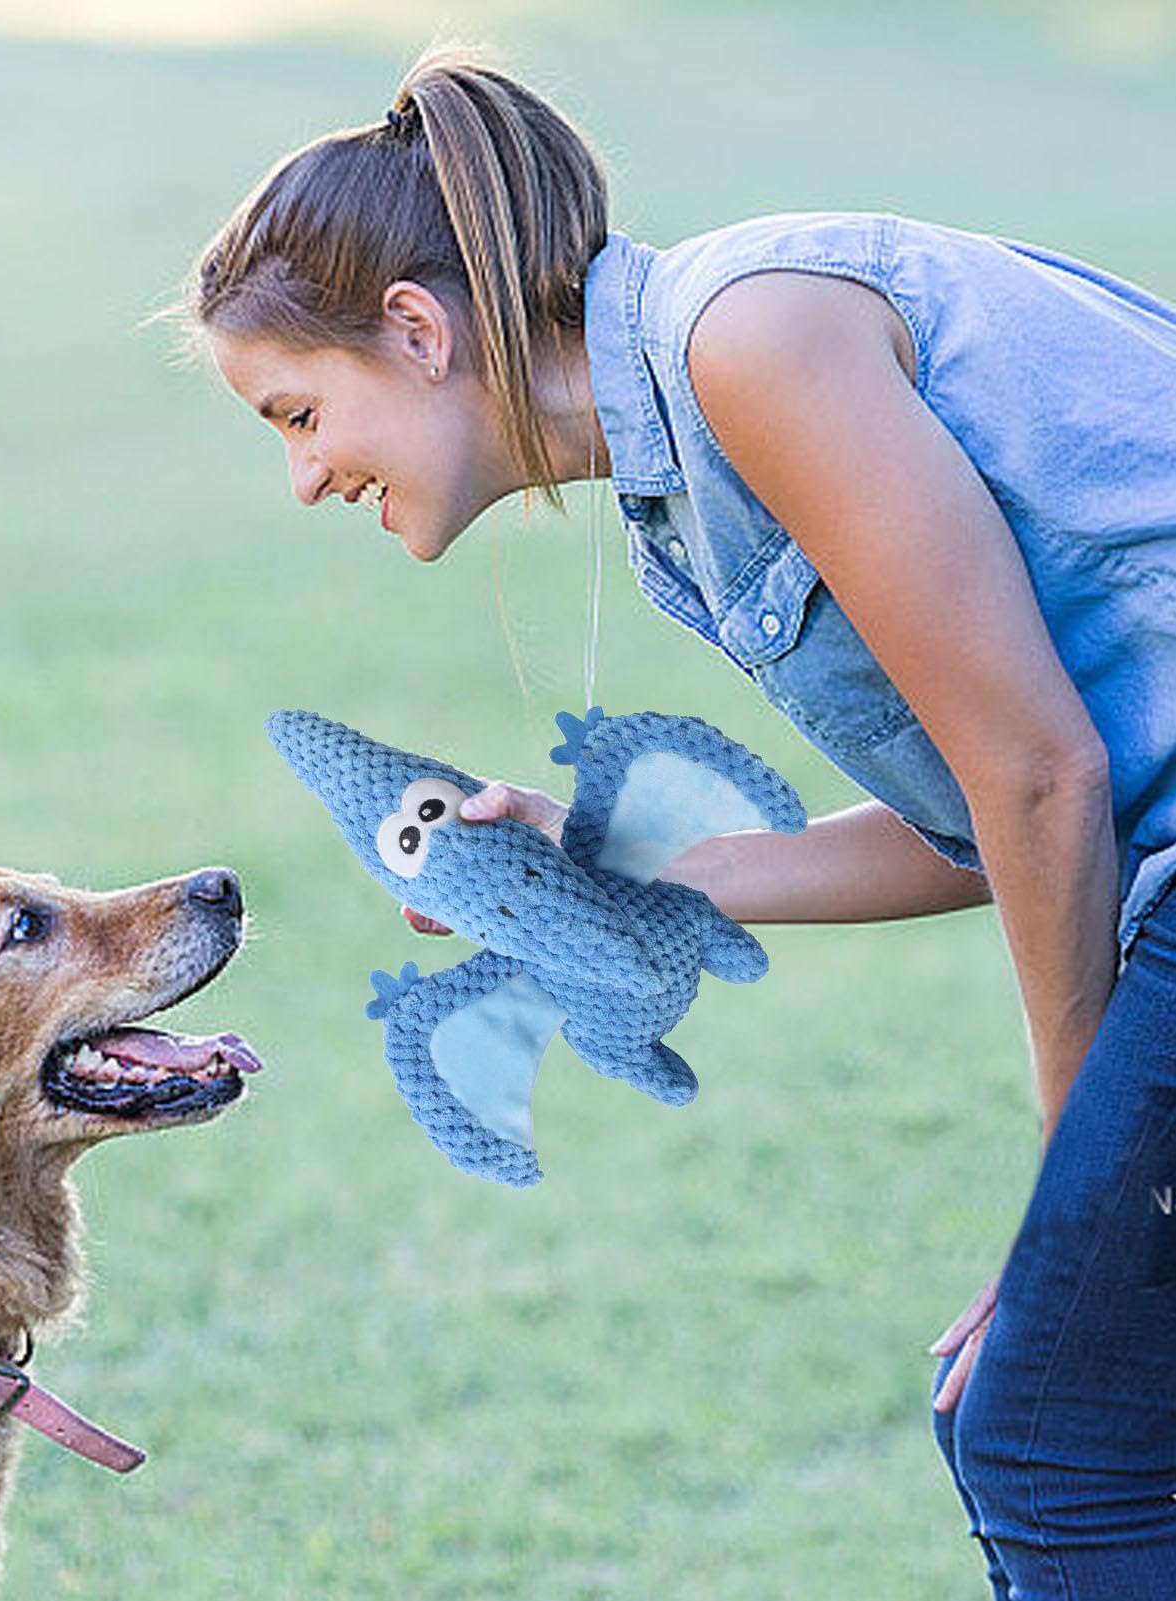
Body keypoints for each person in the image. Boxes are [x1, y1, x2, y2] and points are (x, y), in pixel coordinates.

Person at [183, 47, 1176, 1600]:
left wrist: (1071, 1193)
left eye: (298, 413)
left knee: (1043, 1427)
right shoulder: (686, 481)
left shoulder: (753, 341)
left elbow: (1043, 780)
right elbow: (986, 815)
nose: (305, 476)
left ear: (418, 329)